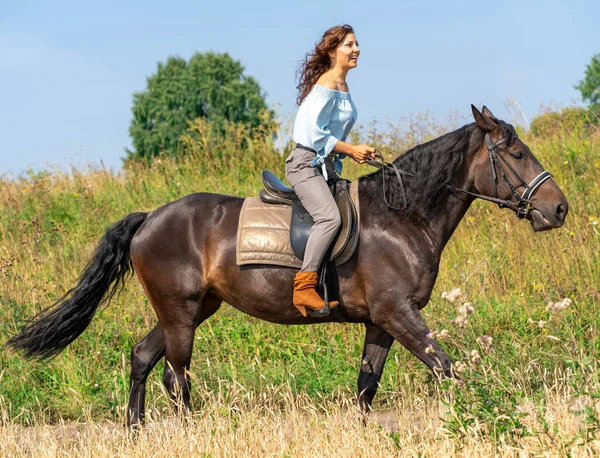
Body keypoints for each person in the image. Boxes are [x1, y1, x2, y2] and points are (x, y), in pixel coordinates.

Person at [286, 24, 376, 317]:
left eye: (357, 43)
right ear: (332, 51)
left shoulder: (343, 87)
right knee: (328, 217)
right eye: (349, 45)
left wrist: (358, 154)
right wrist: (351, 149)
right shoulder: (325, 86)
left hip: (326, 167)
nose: (356, 49)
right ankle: (304, 287)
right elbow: (311, 133)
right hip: (305, 165)